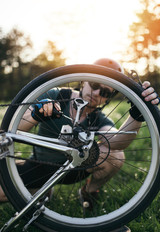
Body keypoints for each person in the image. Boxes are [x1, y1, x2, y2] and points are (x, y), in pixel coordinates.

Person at [0, 58, 159, 208]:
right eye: (95, 84)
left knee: (115, 156)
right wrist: (36, 114)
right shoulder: (56, 95)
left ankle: (89, 192)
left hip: (74, 169)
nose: (97, 93)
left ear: (108, 99)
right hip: (39, 165)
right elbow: (13, 127)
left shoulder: (99, 119)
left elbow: (117, 142)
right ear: (84, 81)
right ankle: (42, 191)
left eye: (105, 92)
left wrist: (137, 114)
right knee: (2, 193)